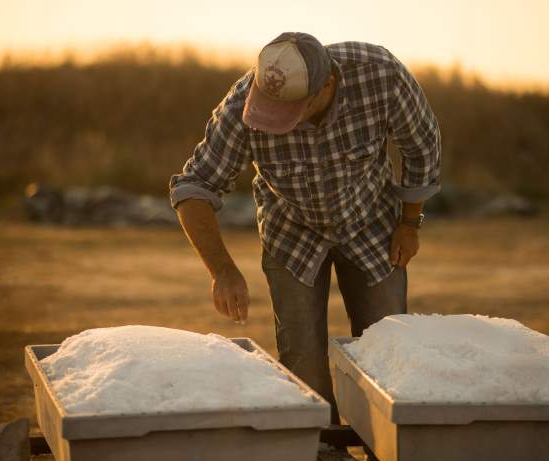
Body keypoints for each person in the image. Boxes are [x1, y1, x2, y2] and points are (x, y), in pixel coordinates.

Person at [169, 32, 441, 424]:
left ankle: (382, 442)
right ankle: (321, 445)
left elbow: (422, 145)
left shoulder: (380, 75)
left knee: (386, 346)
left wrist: (409, 223)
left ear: (326, 85)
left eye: (291, 111)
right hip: (291, 230)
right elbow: (193, 187)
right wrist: (222, 270)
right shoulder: (241, 105)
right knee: (302, 356)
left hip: (371, 223)